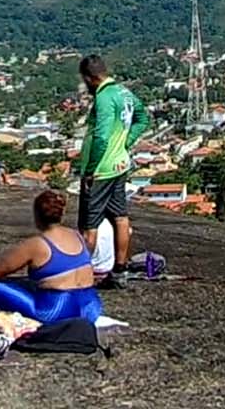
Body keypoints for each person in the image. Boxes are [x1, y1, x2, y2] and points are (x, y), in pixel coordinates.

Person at [0, 190, 101, 323]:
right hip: (91, 306)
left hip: (56, 310)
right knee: (29, 283)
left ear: (37, 215)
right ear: (61, 214)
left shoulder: (37, 244)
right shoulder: (76, 235)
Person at [76, 54, 149, 289]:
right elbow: (142, 118)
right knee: (120, 217)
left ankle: (79, 277)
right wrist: (126, 143)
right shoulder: (124, 92)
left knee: (90, 225)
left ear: (90, 78)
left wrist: (90, 168)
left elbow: (102, 136)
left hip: (102, 170)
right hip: (120, 164)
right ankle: (120, 270)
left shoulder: (104, 97)